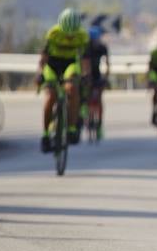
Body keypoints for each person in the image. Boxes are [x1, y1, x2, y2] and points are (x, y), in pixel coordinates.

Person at [37, 8, 88, 152]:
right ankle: (46, 135)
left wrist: (85, 75)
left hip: (70, 64)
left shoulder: (82, 36)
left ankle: (71, 127)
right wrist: (40, 74)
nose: (70, 37)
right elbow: (43, 58)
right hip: (53, 65)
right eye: (67, 34)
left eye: (73, 35)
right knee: (50, 96)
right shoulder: (53, 33)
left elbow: (85, 59)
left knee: (72, 88)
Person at [81, 27, 110, 140]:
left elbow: (107, 63)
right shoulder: (86, 48)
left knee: (99, 99)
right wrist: (85, 77)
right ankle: (84, 107)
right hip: (87, 74)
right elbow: (85, 64)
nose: (96, 42)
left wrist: (106, 77)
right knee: (86, 93)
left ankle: (99, 126)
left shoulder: (103, 48)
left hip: (97, 74)